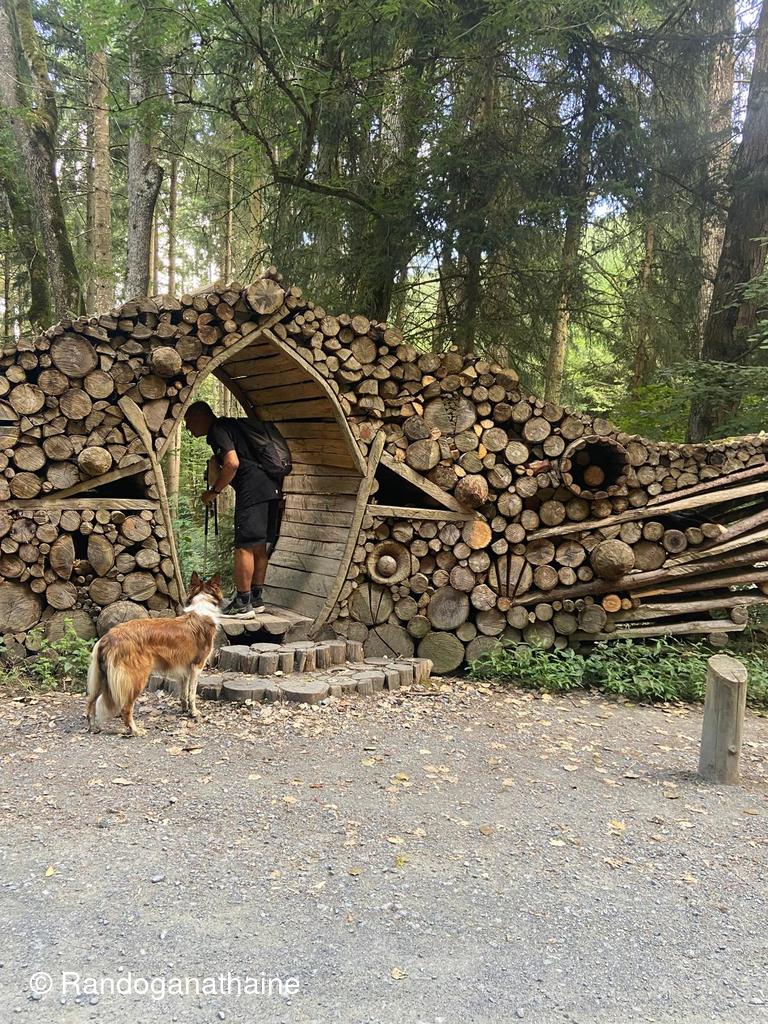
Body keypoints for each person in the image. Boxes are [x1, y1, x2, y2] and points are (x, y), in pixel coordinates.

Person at [183, 401, 288, 617]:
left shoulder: (218, 430)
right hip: (271, 488)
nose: (188, 429)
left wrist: (214, 491)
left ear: (200, 417)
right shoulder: (233, 427)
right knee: (259, 546)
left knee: (244, 547)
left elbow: (232, 463)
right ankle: (256, 599)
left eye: (189, 422)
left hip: (252, 491)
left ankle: (242, 602)